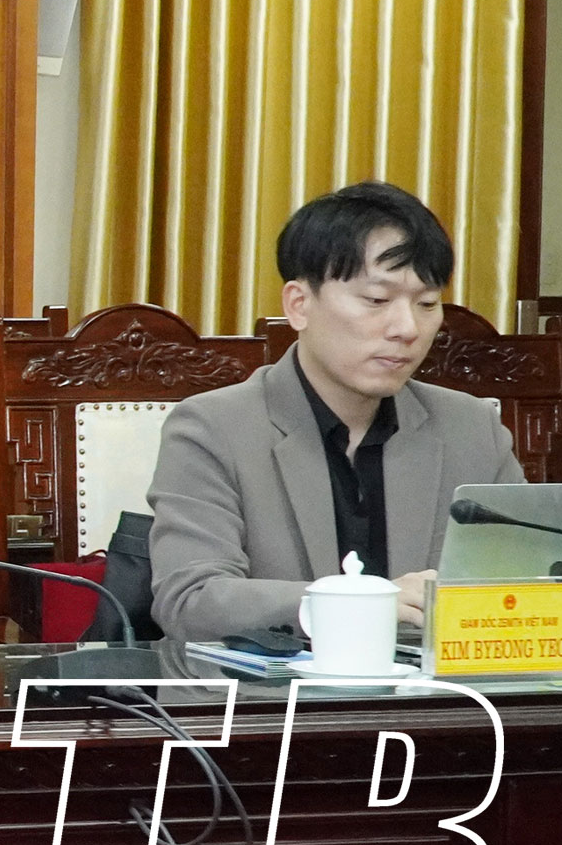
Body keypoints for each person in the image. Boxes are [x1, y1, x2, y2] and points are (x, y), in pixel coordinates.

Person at [147, 182, 521, 638]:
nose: (407, 328)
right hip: (279, 684)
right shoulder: (213, 428)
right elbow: (191, 600)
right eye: (377, 300)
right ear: (299, 305)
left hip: (438, 684)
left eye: (427, 303)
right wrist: (362, 603)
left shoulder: (472, 429)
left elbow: (529, 584)